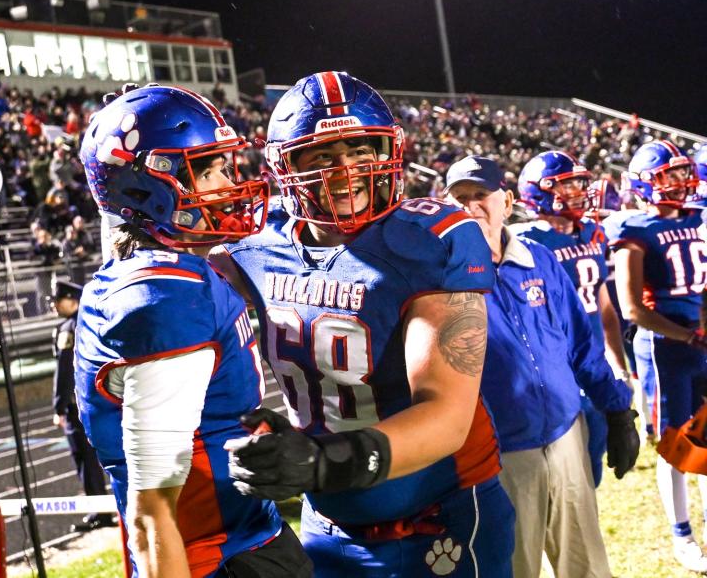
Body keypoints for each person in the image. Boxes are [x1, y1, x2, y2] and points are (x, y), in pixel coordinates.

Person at [217, 72, 513, 578]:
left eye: (361, 150)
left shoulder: (431, 239)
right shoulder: (253, 247)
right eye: (323, 157)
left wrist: (321, 460)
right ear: (286, 168)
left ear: (389, 153)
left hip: (439, 515)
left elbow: (447, 415)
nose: (347, 170)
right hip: (327, 521)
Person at [74, 85, 310, 578]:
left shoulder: (169, 276)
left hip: (244, 542)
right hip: (217, 560)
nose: (230, 182)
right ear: (149, 189)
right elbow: (151, 511)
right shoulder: (167, 296)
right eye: (211, 170)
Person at [444, 155, 637, 578]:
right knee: (516, 568)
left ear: (507, 201)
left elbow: (582, 345)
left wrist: (617, 408)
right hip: (500, 454)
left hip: (566, 435)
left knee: (586, 565)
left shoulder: (539, 259)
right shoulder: (440, 275)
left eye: (481, 195)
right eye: (460, 199)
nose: (471, 206)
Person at [606, 140, 707, 573]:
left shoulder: (697, 218)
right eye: (668, 175)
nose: (680, 182)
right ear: (646, 183)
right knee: (674, 445)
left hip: (697, 341)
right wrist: (687, 336)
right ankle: (682, 535)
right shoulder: (634, 230)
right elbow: (633, 309)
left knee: (703, 439)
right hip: (666, 348)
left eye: (683, 173)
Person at [512, 151, 631, 486]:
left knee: (592, 465)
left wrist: (618, 364)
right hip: (554, 367)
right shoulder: (525, 242)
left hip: (592, 363)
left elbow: (604, 305)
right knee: (555, 472)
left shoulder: (593, 235)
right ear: (541, 191)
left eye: (581, 183)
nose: (580, 190)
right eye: (569, 185)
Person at [49, 278, 113, 533]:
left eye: (58, 300)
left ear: (72, 300)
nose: (54, 305)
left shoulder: (69, 327)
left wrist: (58, 405)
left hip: (77, 405)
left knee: (85, 459)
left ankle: (100, 511)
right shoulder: (93, 320)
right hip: (98, 400)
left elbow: (64, 369)